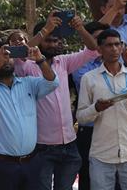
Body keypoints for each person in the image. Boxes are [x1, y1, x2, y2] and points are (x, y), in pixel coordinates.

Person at [16, 12, 99, 190]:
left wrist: (80, 28)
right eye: (49, 40)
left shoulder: (64, 62)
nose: (54, 44)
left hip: (69, 144)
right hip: (41, 147)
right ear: (40, 40)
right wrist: (47, 28)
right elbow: (20, 54)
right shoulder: (25, 66)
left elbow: (93, 49)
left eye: (57, 40)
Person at [0, 41, 58, 190]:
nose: (6, 60)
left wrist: (40, 59)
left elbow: (53, 82)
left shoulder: (29, 83)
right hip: (1, 165)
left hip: (31, 162)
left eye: (8, 56)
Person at [76, 28, 127, 190]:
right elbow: (81, 117)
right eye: (109, 45)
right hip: (102, 154)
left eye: (117, 44)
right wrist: (96, 108)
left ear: (122, 47)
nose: (114, 49)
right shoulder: (89, 78)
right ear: (100, 49)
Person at [72, 21, 116, 190]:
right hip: (90, 128)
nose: (104, 43)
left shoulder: (118, 63)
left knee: (116, 176)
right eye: (99, 39)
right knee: (89, 177)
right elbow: (95, 91)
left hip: (114, 127)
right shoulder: (80, 63)